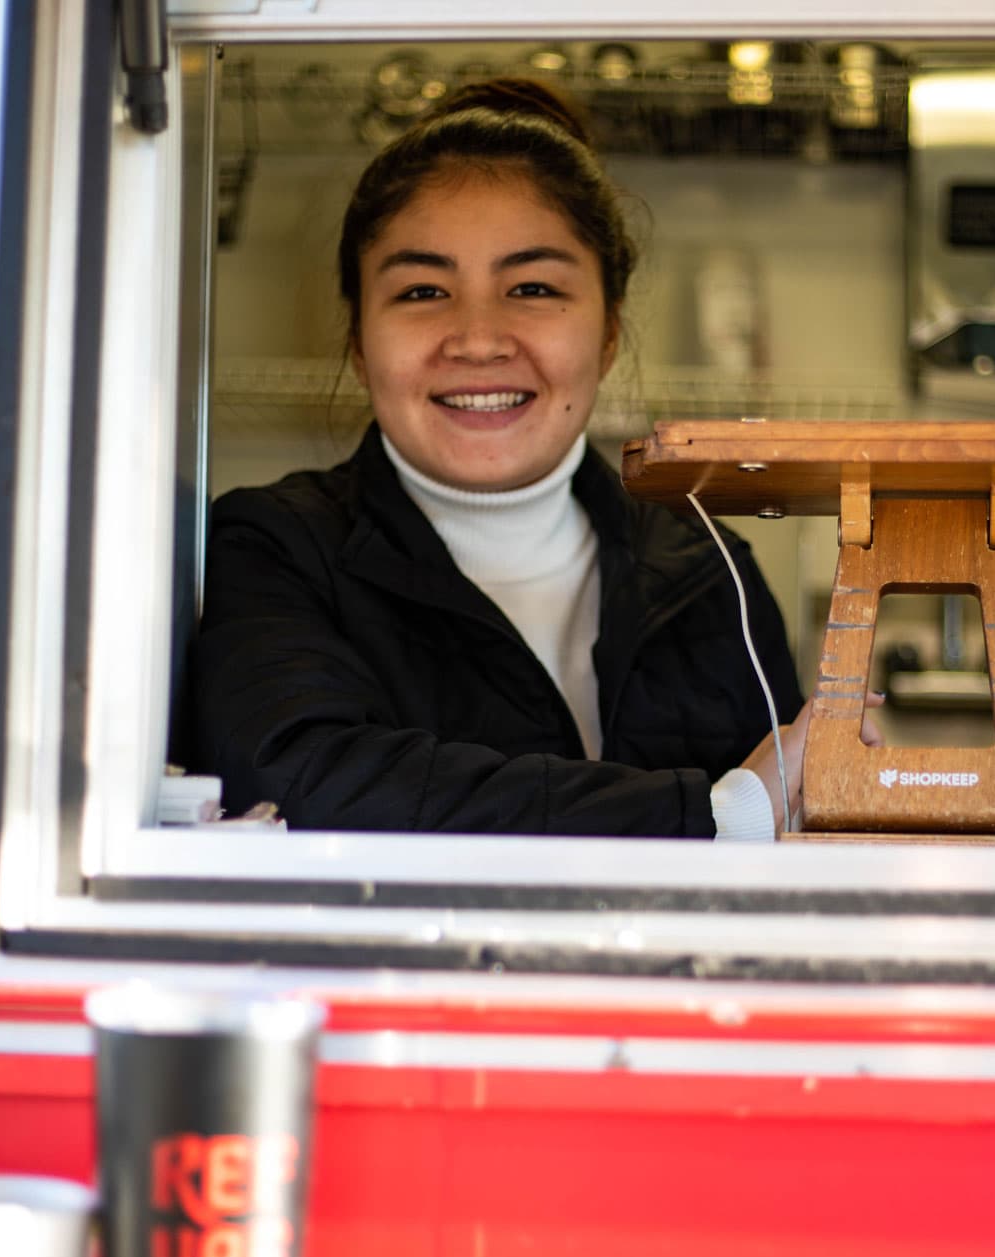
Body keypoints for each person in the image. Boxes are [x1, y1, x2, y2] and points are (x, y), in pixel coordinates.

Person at [192, 77, 838, 839]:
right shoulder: (274, 548)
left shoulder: (706, 573)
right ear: (359, 343)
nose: (477, 338)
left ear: (606, 332)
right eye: (423, 291)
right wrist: (708, 816)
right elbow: (292, 782)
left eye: (531, 286)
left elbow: (794, 829)